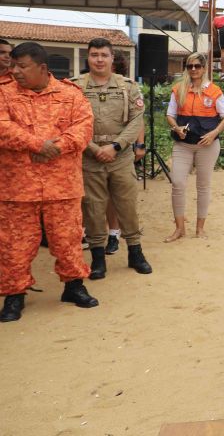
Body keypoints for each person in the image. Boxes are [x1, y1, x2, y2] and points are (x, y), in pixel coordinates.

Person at [0, 42, 98, 322]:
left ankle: (73, 287)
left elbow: (83, 126)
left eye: (22, 66)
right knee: (14, 245)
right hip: (17, 187)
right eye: (13, 65)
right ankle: (14, 296)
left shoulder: (71, 94)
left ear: (42, 68)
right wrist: (36, 144)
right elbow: (2, 127)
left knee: (67, 239)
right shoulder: (3, 93)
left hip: (62, 185)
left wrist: (57, 146)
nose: (14, 70)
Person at [76, 38, 152, 280]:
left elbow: (136, 119)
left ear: (111, 58)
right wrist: (94, 149)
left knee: (127, 205)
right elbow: (70, 122)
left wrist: (116, 146)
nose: (99, 59)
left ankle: (135, 252)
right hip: (90, 157)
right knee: (93, 208)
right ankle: (98, 259)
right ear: (87, 58)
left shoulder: (128, 87)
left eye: (104, 55)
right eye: (94, 54)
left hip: (120, 156)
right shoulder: (76, 87)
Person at [164, 53, 224, 242]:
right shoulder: (178, 89)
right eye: (190, 66)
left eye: (197, 66)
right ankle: (179, 229)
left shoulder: (214, 90)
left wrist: (214, 133)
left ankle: (200, 228)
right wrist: (176, 128)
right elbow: (170, 114)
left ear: (204, 68)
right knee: (177, 183)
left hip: (206, 145)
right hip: (183, 144)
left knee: (203, 186)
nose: (193, 69)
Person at [104, 50, 146, 254]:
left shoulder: (129, 88)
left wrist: (140, 144)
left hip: (122, 151)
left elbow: (139, 119)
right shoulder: (89, 86)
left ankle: (115, 234)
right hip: (97, 151)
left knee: (120, 196)